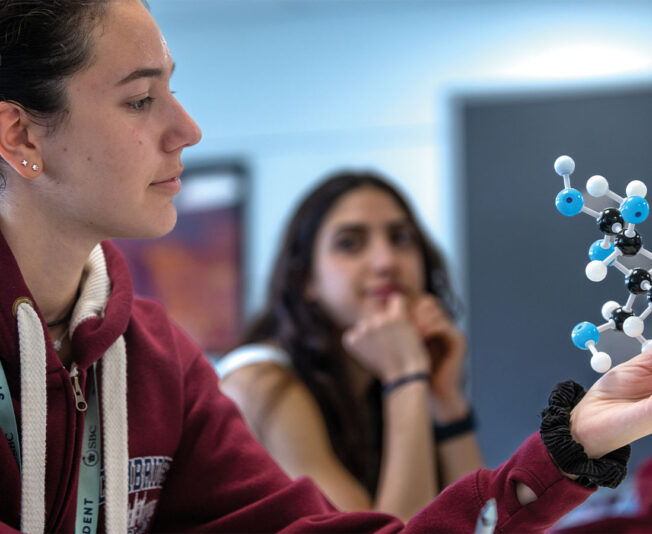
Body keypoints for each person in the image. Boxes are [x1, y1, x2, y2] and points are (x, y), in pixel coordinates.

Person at [0, 1, 652, 533]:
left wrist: (571, 445)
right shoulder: (255, 378)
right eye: (141, 100)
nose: (188, 128)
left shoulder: (158, 359)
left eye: (400, 237)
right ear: (22, 137)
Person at [217, 171, 485, 520]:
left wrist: (445, 402)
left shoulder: (373, 380)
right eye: (350, 243)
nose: (386, 261)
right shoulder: (261, 382)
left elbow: (487, 525)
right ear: (307, 280)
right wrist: (405, 376)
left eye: (401, 238)